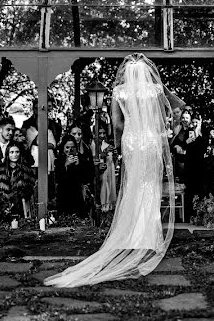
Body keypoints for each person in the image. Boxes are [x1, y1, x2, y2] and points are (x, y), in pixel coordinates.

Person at [45, 53, 182, 287]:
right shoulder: (155, 91)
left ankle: (130, 233)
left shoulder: (120, 92)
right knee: (150, 185)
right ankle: (149, 235)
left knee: (132, 185)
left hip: (131, 140)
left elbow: (117, 123)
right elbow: (172, 109)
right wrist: (163, 129)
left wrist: (121, 142)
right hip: (149, 140)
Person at [0, 144, 36, 221]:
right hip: (2, 209)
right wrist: (2, 206)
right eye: (12, 152)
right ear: (7, 154)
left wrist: (18, 198)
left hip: (20, 208)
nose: (15, 155)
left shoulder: (26, 170)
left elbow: (30, 189)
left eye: (17, 152)